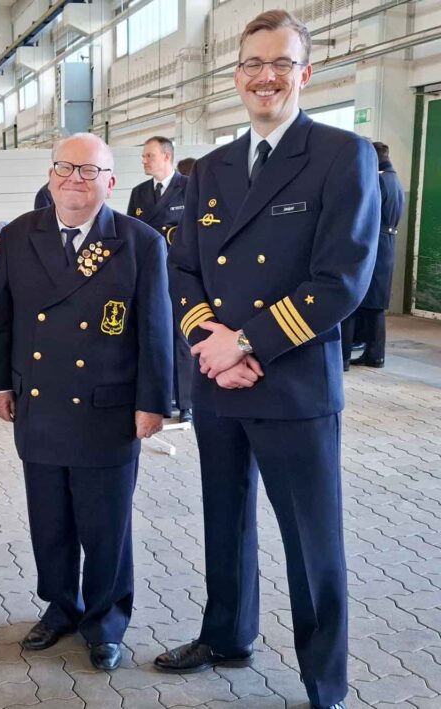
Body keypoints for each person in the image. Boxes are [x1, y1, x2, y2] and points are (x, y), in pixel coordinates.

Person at [158, 11, 380, 709]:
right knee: (223, 519)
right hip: (221, 382)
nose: (265, 76)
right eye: (253, 63)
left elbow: (342, 278)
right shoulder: (214, 167)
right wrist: (208, 343)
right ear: (236, 76)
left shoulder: (342, 155)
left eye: (281, 64)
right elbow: (185, 268)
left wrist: (243, 342)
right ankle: (225, 633)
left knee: (311, 543)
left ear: (304, 75)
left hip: (290, 383)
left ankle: (325, 680)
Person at [0, 133, 172, 672]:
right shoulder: (20, 235)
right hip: (38, 404)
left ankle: (107, 621)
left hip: (107, 408)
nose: (74, 179)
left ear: (111, 183)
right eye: (65, 168)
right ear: (50, 176)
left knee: (106, 523)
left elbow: (157, 332)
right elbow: (3, 317)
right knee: (50, 518)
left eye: (89, 171)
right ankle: (62, 606)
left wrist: (153, 402)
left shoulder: (138, 242)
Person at [126, 136, 192, 423]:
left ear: (166, 156)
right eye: (143, 156)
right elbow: (132, 233)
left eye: (148, 156)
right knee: (153, 335)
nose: (144, 160)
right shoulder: (139, 193)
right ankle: (159, 397)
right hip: (150, 275)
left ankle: (187, 402)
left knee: (181, 338)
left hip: (180, 273)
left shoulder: (189, 188)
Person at [341, 141, 405, 369]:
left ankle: (343, 358)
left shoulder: (377, 180)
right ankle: (375, 355)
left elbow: (364, 213)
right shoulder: (396, 181)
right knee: (376, 305)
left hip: (372, 242)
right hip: (388, 244)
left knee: (352, 300)